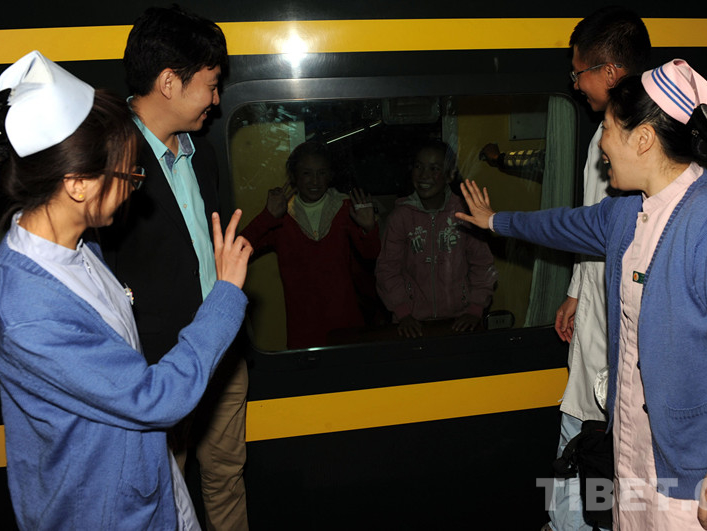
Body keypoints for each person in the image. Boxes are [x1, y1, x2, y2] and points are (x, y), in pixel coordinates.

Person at [457, 59, 707, 530]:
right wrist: (495, 222)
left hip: (703, 476)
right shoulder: (628, 213)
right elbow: (563, 225)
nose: (601, 144)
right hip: (637, 452)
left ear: (643, 139)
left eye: (607, 129)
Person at [0, 50, 252, 530]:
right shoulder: (27, 308)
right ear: (78, 184)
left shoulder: (80, 249)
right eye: (128, 175)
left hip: (140, 489)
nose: (134, 188)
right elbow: (154, 399)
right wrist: (226, 291)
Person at [481, 8, 651, 531]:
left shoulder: (658, 145)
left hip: (626, 357)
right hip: (596, 338)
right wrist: (578, 288)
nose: (574, 85)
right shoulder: (605, 136)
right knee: (575, 462)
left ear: (610, 72)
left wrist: (498, 222)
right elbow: (587, 226)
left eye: (578, 73)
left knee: (600, 481)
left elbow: (584, 226)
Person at [97, 7, 250, 529]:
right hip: (158, 372)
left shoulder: (201, 153)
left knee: (227, 478)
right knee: (162, 497)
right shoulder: (108, 158)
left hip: (223, 356)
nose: (217, 99)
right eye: (211, 84)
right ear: (169, 82)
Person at [240, 141, 380, 349]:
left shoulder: (344, 208)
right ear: (294, 177)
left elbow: (371, 255)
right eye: (307, 173)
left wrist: (369, 228)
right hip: (303, 332)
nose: (315, 181)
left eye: (321, 173)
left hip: (346, 325)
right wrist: (267, 217)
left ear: (330, 176)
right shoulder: (282, 215)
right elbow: (237, 250)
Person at [376, 139, 496, 337]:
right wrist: (403, 313)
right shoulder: (401, 217)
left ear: (449, 175)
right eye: (419, 167)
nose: (424, 175)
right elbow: (387, 269)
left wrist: (475, 309)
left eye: (434, 169)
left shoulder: (464, 214)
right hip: (412, 323)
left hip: (459, 320)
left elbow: (483, 264)